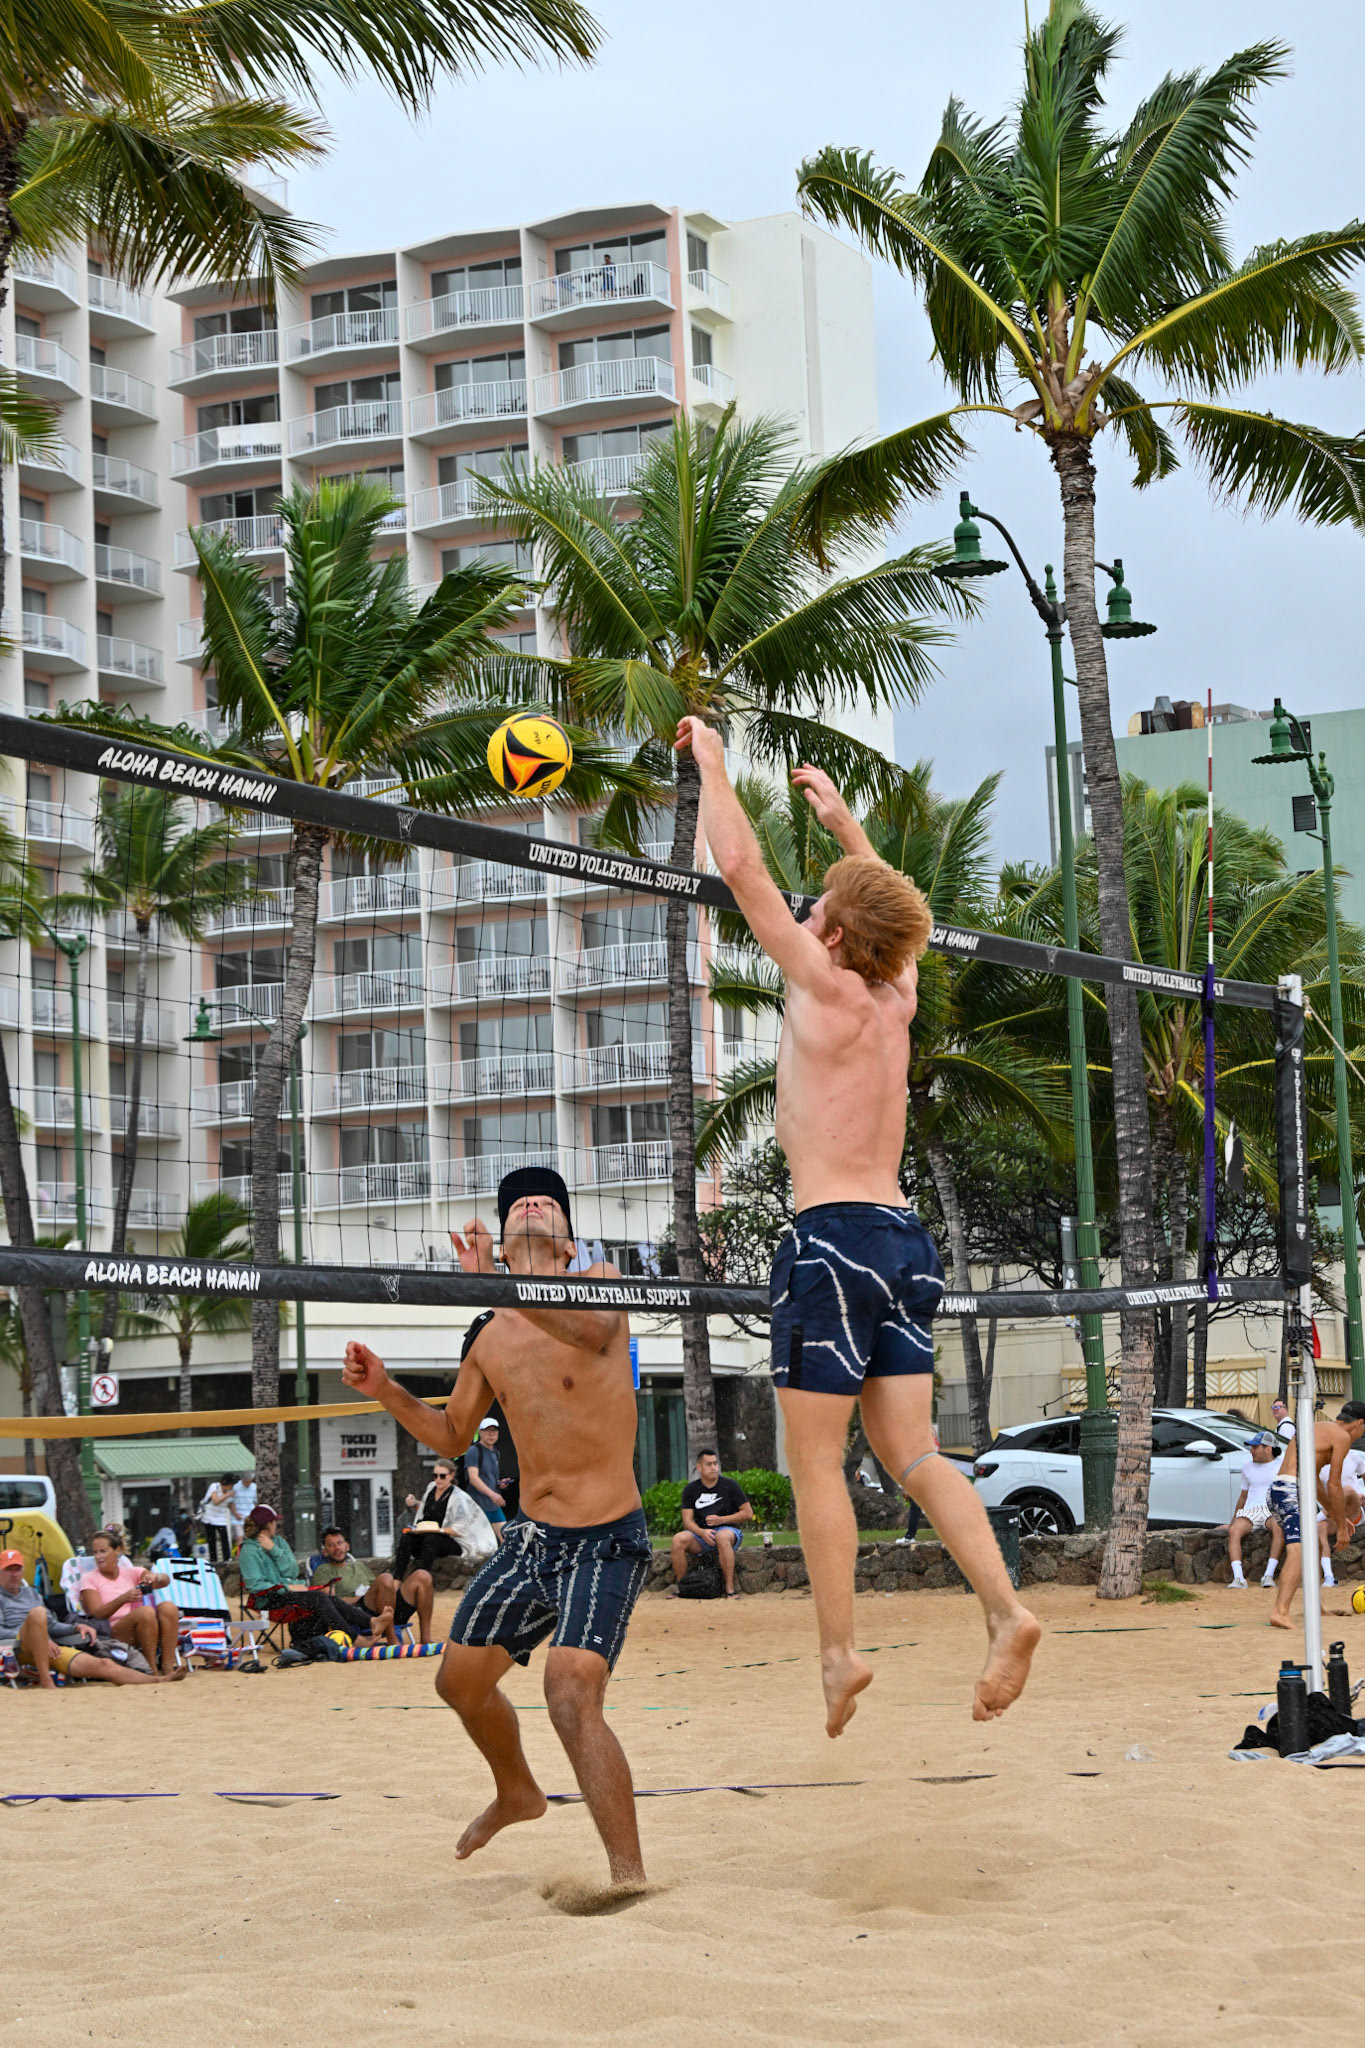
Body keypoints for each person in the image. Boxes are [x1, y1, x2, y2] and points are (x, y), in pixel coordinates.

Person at [678, 718, 1041, 1737]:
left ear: (832, 929)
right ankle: (1005, 1610)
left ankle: (839, 1653)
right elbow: (896, 915)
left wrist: (712, 761)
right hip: (899, 1235)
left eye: (822, 901)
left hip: (829, 1235)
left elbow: (741, 862)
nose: (811, 905)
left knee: (816, 1464)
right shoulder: (897, 991)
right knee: (915, 1452)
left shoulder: (825, 982)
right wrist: (844, 822)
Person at [342, 1164, 652, 1889]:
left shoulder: (597, 1281)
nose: (534, 1203)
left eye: (549, 1202)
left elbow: (588, 1327)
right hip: (533, 1540)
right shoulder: (487, 1331)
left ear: (569, 1243)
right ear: (504, 1243)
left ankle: (629, 1878)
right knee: (459, 1683)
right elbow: (452, 1435)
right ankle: (518, 1791)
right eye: (519, 1204)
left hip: (606, 1537)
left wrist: (495, 1285)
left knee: (570, 1692)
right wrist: (385, 1388)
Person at [0, 1549, 181, 1687]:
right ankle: (47, 1682)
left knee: (104, 1664)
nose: (14, 1574)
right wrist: (35, 1636)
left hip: (49, 1647)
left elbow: (52, 1624)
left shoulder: (31, 1593)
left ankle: (158, 1680)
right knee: (37, 1613)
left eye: (17, 1569)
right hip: (17, 1647)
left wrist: (76, 1628)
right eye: (9, 1570)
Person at [238, 1506, 396, 1652]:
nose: (276, 1526)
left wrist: (274, 1550)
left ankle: (371, 1622)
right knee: (319, 1598)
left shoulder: (278, 1542)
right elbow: (255, 1586)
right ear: (268, 1524)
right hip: (268, 1598)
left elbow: (292, 1571)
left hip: (286, 1592)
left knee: (327, 1598)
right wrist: (286, 1587)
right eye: (274, 1522)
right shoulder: (249, 1550)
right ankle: (356, 1639)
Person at [1269, 1400, 1365, 1629]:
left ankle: (1315, 1606)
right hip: (1289, 1490)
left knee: (1309, 1547)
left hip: (1282, 1489)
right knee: (1298, 1550)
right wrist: (1341, 1527)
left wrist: (1336, 1516)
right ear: (1359, 1424)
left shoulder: (1317, 1428)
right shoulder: (1340, 1437)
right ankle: (1280, 1612)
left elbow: (1312, 1479)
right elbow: (1334, 1485)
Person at [78, 1528, 182, 1673]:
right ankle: (151, 1669)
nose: (98, 1556)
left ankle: (168, 1666)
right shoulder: (89, 1578)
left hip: (146, 1626)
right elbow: (96, 1614)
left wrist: (155, 1577)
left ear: (117, 1550)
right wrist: (123, 1599)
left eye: (103, 1551)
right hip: (112, 1631)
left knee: (168, 1607)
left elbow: (165, 1581)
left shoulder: (132, 1573)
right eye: (95, 1552)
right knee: (145, 1612)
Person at [310, 1525, 433, 1645]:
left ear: (347, 1546)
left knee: (422, 1576)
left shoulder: (358, 1566)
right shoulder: (323, 1570)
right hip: (359, 1613)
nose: (337, 1548)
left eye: (340, 1543)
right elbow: (328, 1602)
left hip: (384, 1607)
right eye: (331, 1545)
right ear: (325, 1551)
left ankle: (426, 1638)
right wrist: (356, 1599)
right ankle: (392, 1638)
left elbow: (381, 1589)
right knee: (385, 1578)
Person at [670, 1450, 753, 1597]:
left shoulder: (730, 1485)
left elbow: (748, 1513)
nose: (714, 1467)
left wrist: (721, 1520)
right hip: (701, 1534)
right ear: (699, 1467)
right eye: (709, 1464)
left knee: (722, 1536)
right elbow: (687, 1521)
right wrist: (702, 1532)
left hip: (728, 1530)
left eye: (715, 1463)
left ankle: (729, 1589)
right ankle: (683, 1587)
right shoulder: (691, 1489)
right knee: (678, 1539)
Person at [1226, 1435, 1285, 1589]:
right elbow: (1243, 1496)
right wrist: (1233, 1520)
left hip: (1272, 1508)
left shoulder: (1283, 1464)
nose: (1251, 1451)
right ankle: (1238, 1578)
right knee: (1234, 1531)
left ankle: (1268, 1575)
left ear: (1268, 1448)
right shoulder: (1247, 1467)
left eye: (1255, 1447)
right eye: (1251, 1447)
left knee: (1279, 1527)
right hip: (1251, 1510)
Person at [396, 1457, 467, 1583]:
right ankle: (397, 1579)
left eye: (442, 1476)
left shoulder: (458, 1498)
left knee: (432, 1538)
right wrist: (414, 1503)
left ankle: (422, 1580)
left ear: (451, 1475)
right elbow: (429, 1509)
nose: (438, 1479)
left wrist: (437, 1530)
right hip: (426, 1536)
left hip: (448, 1540)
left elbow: (460, 1529)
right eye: (435, 1476)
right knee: (406, 1537)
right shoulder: (431, 1489)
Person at [465, 1419, 508, 1541]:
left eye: (494, 1431)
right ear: (480, 1432)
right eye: (487, 1431)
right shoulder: (474, 1450)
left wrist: (500, 1484)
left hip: (493, 1506)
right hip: (478, 1505)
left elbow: (489, 1479)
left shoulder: (496, 1453)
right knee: (479, 1542)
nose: (491, 1434)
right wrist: (493, 1495)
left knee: (507, 1539)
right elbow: (473, 1478)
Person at [199, 1473, 236, 1564]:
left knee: (224, 1537)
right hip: (209, 1516)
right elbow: (215, 1501)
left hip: (220, 1518)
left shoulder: (230, 1493)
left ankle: (227, 1559)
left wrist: (236, 1514)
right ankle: (213, 1560)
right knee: (211, 1539)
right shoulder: (214, 1486)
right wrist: (227, 1495)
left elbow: (230, 1505)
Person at [229, 1471, 257, 1546]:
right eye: (248, 1481)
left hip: (249, 1516)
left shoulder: (254, 1487)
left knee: (250, 1537)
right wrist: (235, 1514)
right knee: (239, 1536)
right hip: (237, 1517)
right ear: (243, 1480)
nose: (249, 1483)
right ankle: (240, 1555)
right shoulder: (235, 1487)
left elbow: (255, 1503)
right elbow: (231, 1502)